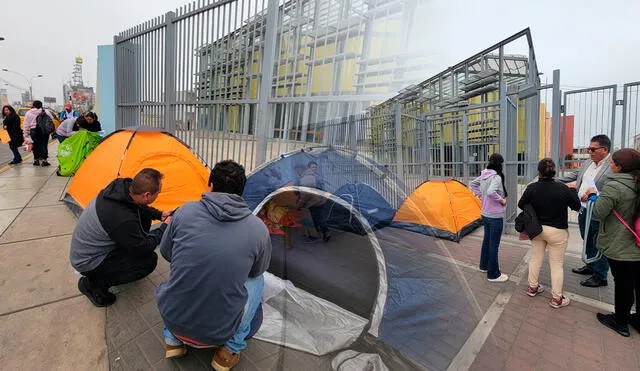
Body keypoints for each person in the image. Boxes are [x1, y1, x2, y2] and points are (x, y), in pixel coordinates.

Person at [156, 160, 271, 371]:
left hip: (173, 319)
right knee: (258, 279)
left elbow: (166, 253)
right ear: (241, 192)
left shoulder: (184, 212)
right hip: (220, 332)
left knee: (184, 268)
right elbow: (256, 271)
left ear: (209, 185)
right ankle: (227, 352)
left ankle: (172, 341)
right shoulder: (258, 229)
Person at [70, 168, 173, 307]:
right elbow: (143, 247)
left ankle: (112, 266)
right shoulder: (122, 218)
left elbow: (138, 207)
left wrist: (159, 215)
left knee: (142, 218)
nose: (158, 195)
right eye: (158, 193)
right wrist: (164, 228)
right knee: (148, 261)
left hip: (91, 248)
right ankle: (92, 284)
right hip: (88, 262)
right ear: (147, 195)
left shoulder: (121, 188)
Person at [588, 149, 640, 337]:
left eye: (612, 163)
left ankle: (620, 321)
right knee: (637, 282)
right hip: (638, 241)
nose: (610, 165)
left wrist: (595, 198)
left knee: (624, 283)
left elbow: (598, 213)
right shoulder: (636, 183)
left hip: (622, 244)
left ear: (619, 167)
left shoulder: (614, 187)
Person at [519, 158, 581, 308]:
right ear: (555, 172)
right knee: (557, 265)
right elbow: (577, 206)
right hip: (558, 232)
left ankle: (533, 287)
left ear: (538, 171)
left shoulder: (532, 188)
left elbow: (521, 204)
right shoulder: (563, 188)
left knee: (535, 259)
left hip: (537, 230)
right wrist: (573, 189)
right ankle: (556, 298)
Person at [559, 134, 612, 287]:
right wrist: (553, 180)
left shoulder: (612, 166)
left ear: (604, 149)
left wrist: (595, 195)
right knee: (587, 238)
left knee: (598, 242)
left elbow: (613, 190)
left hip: (598, 212)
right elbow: (575, 175)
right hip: (584, 210)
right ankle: (590, 265)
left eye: (592, 149)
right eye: (589, 149)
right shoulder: (589, 162)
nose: (589, 152)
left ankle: (600, 275)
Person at [471, 153, 509, 282]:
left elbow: (473, 184)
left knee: (487, 241)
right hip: (495, 216)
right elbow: (490, 192)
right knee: (494, 245)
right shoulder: (496, 177)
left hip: (485, 214)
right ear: (499, 164)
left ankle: (484, 266)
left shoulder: (484, 174)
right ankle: (493, 275)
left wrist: (481, 197)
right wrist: (502, 200)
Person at [22, 100, 54, 166]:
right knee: (44, 145)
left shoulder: (28, 112)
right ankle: (44, 161)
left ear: (33, 105)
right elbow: (52, 118)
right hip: (44, 131)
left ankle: (36, 160)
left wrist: (25, 133)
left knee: (35, 146)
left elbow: (26, 124)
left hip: (33, 131)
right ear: (41, 105)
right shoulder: (45, 111)